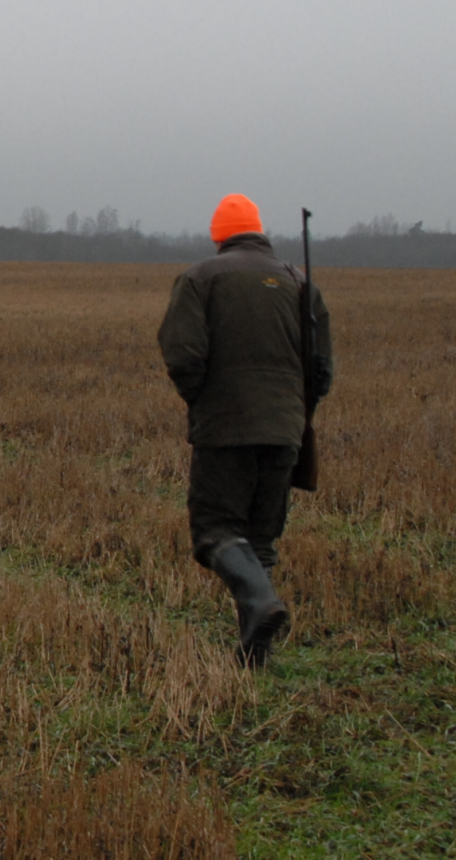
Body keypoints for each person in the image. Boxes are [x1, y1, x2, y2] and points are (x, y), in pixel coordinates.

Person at [158, 194, 332, 667]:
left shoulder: (200, 279)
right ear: (259, 231)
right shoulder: (301, 283)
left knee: (216, 531)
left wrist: (203, 401)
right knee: (259, 539)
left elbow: (183, 355)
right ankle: (256, 655)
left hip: (225, 428)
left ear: (219, 236)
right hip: (286, 430)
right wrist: (297, 414)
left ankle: (261, 605)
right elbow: (321, 370)